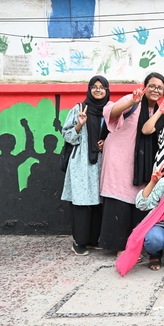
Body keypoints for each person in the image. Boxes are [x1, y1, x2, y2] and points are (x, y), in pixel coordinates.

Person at [99, 72, 164, 256]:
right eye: (152, 86)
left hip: (140, 164)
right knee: (119, 200)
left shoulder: (158, 111)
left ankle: (135, 244)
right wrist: (132, 102)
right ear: (145, 86)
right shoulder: (133, 99)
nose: (155, 90)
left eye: (160, 88)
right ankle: (120, 247)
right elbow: (110, 112)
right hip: (119, 159)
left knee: (137, 201)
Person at [61, 75, 109, 255]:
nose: (98, 90)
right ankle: (79, 242)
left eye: (101, 87)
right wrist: (79, 125)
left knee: (98, 201)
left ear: (107, 90)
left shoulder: (109, 110)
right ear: (89, 89)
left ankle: (92, 240)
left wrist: (106, 141)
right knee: (81, 202)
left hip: (102, 163)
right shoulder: (79, 109)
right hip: (82, 162)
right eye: (94, 87)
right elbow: (67, 136)